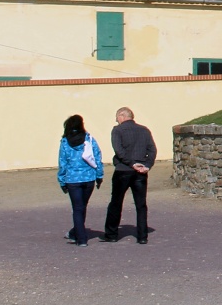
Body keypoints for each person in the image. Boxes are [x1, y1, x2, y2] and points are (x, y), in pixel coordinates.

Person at [101, 106, 157, 244]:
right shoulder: (144, 130)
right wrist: (147, 165)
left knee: (116, 202)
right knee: (141, 204)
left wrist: (131, 163)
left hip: (123, 170)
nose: (116, 120)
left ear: (122, 116)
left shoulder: (118, 130)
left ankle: (111, 234)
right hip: (140, 172)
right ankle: (142, 236)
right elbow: (152, 149)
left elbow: (119, 150)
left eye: (117, 117)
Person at [57, 114, 103, 247]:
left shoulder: (65, 142)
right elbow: (97, 157)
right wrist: (99, 176)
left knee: (77, 208)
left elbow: (63, 163)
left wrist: (62, 181)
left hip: (72, 179)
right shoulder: (89, 139)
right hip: (89, 178)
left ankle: (81, 238)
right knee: (82, 207)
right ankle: (75, 232)